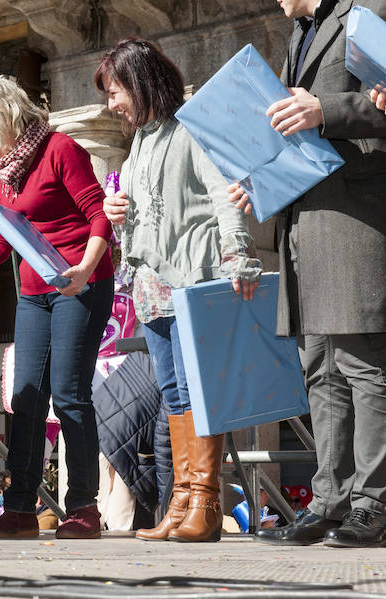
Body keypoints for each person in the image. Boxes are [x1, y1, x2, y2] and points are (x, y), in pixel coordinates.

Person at [0, 75, 114, 539]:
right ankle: (20, 509)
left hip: (79, 286)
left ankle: (84, 508)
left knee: (69, 394)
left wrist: (86, 269)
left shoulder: (59, 149)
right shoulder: (9, 168)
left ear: (1, 119)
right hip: (34, 294)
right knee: (26, 396)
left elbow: (99, 213)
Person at [228, 0, 386, 549]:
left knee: (362, 362)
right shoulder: (299, 32)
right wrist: (259, 178)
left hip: (356, 216)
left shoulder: (369, 9)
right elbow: (296, 132)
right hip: (304, 219)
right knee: (319, 366)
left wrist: (326, 109)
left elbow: (376, 104)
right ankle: (331, 502)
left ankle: (374, 503)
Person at [96, 38, 261, 543]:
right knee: (173, 394)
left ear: (142, 83)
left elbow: (225, 194)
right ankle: (183, 500)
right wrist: (115, 215)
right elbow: (142, 219)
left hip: (192, 280)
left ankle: (206, 503)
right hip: (151, 287)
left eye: (116, 91)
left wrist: (238, 253)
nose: (111, 104)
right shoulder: (141, 140)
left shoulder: (192, 128)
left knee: (198, 391)